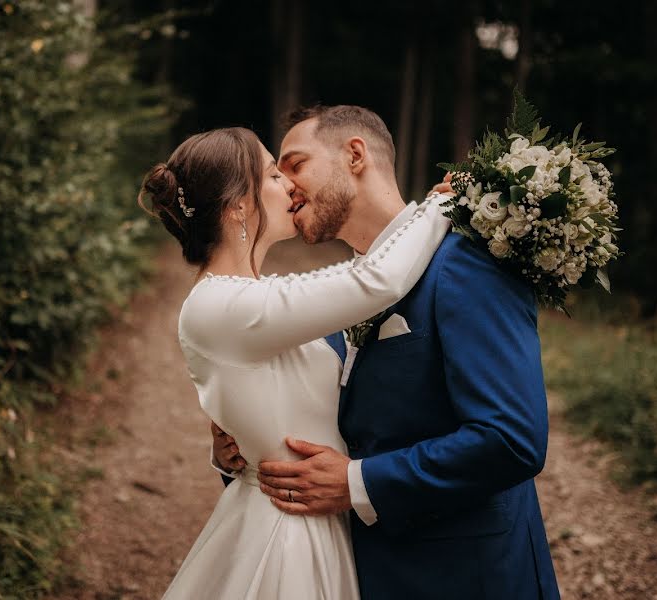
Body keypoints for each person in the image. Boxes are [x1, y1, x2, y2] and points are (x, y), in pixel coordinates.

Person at [212, 105, 561, 599]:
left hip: (469, 577)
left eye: (295, 164)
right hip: (363, 576)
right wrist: (239, 453)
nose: (286, 186)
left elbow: (511, 437)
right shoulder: (336, 293)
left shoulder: (467, 259)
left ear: (355, 155)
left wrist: (358, 483)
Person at [139, 125, 451, 599]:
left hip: (314, 519)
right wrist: (444, 203)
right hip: (286, 537)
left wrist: (236, 442)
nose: (289, 184)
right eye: (271, 174)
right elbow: (375, 281)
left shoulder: (254, 297)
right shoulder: (221, 306)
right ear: (240, 204)